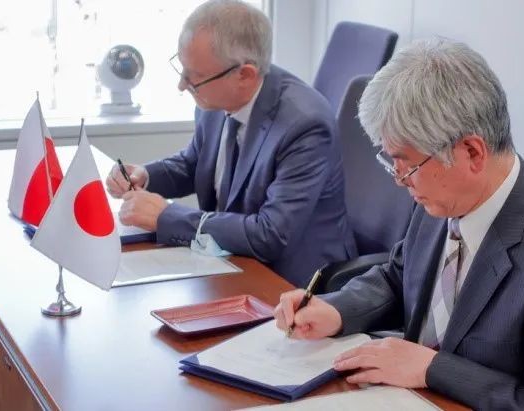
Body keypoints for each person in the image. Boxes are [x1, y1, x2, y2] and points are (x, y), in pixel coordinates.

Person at [274, 38, 524, 410]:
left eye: (408, 165)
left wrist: (434, 369)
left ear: (472, 152)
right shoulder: (441, 196)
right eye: (393, 163)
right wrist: (338, 309)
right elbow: (399, 276)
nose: (400, 180)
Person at [106, 0, 356, 286]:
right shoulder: (214, 96)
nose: (182, 85)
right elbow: (197, 162)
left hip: (294, 281)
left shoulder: (305, 125)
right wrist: (146, 175)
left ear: (244, 75)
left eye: (195, 78)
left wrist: (167, 216)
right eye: (183, 70)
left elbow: (270, 235)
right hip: (230, 258)